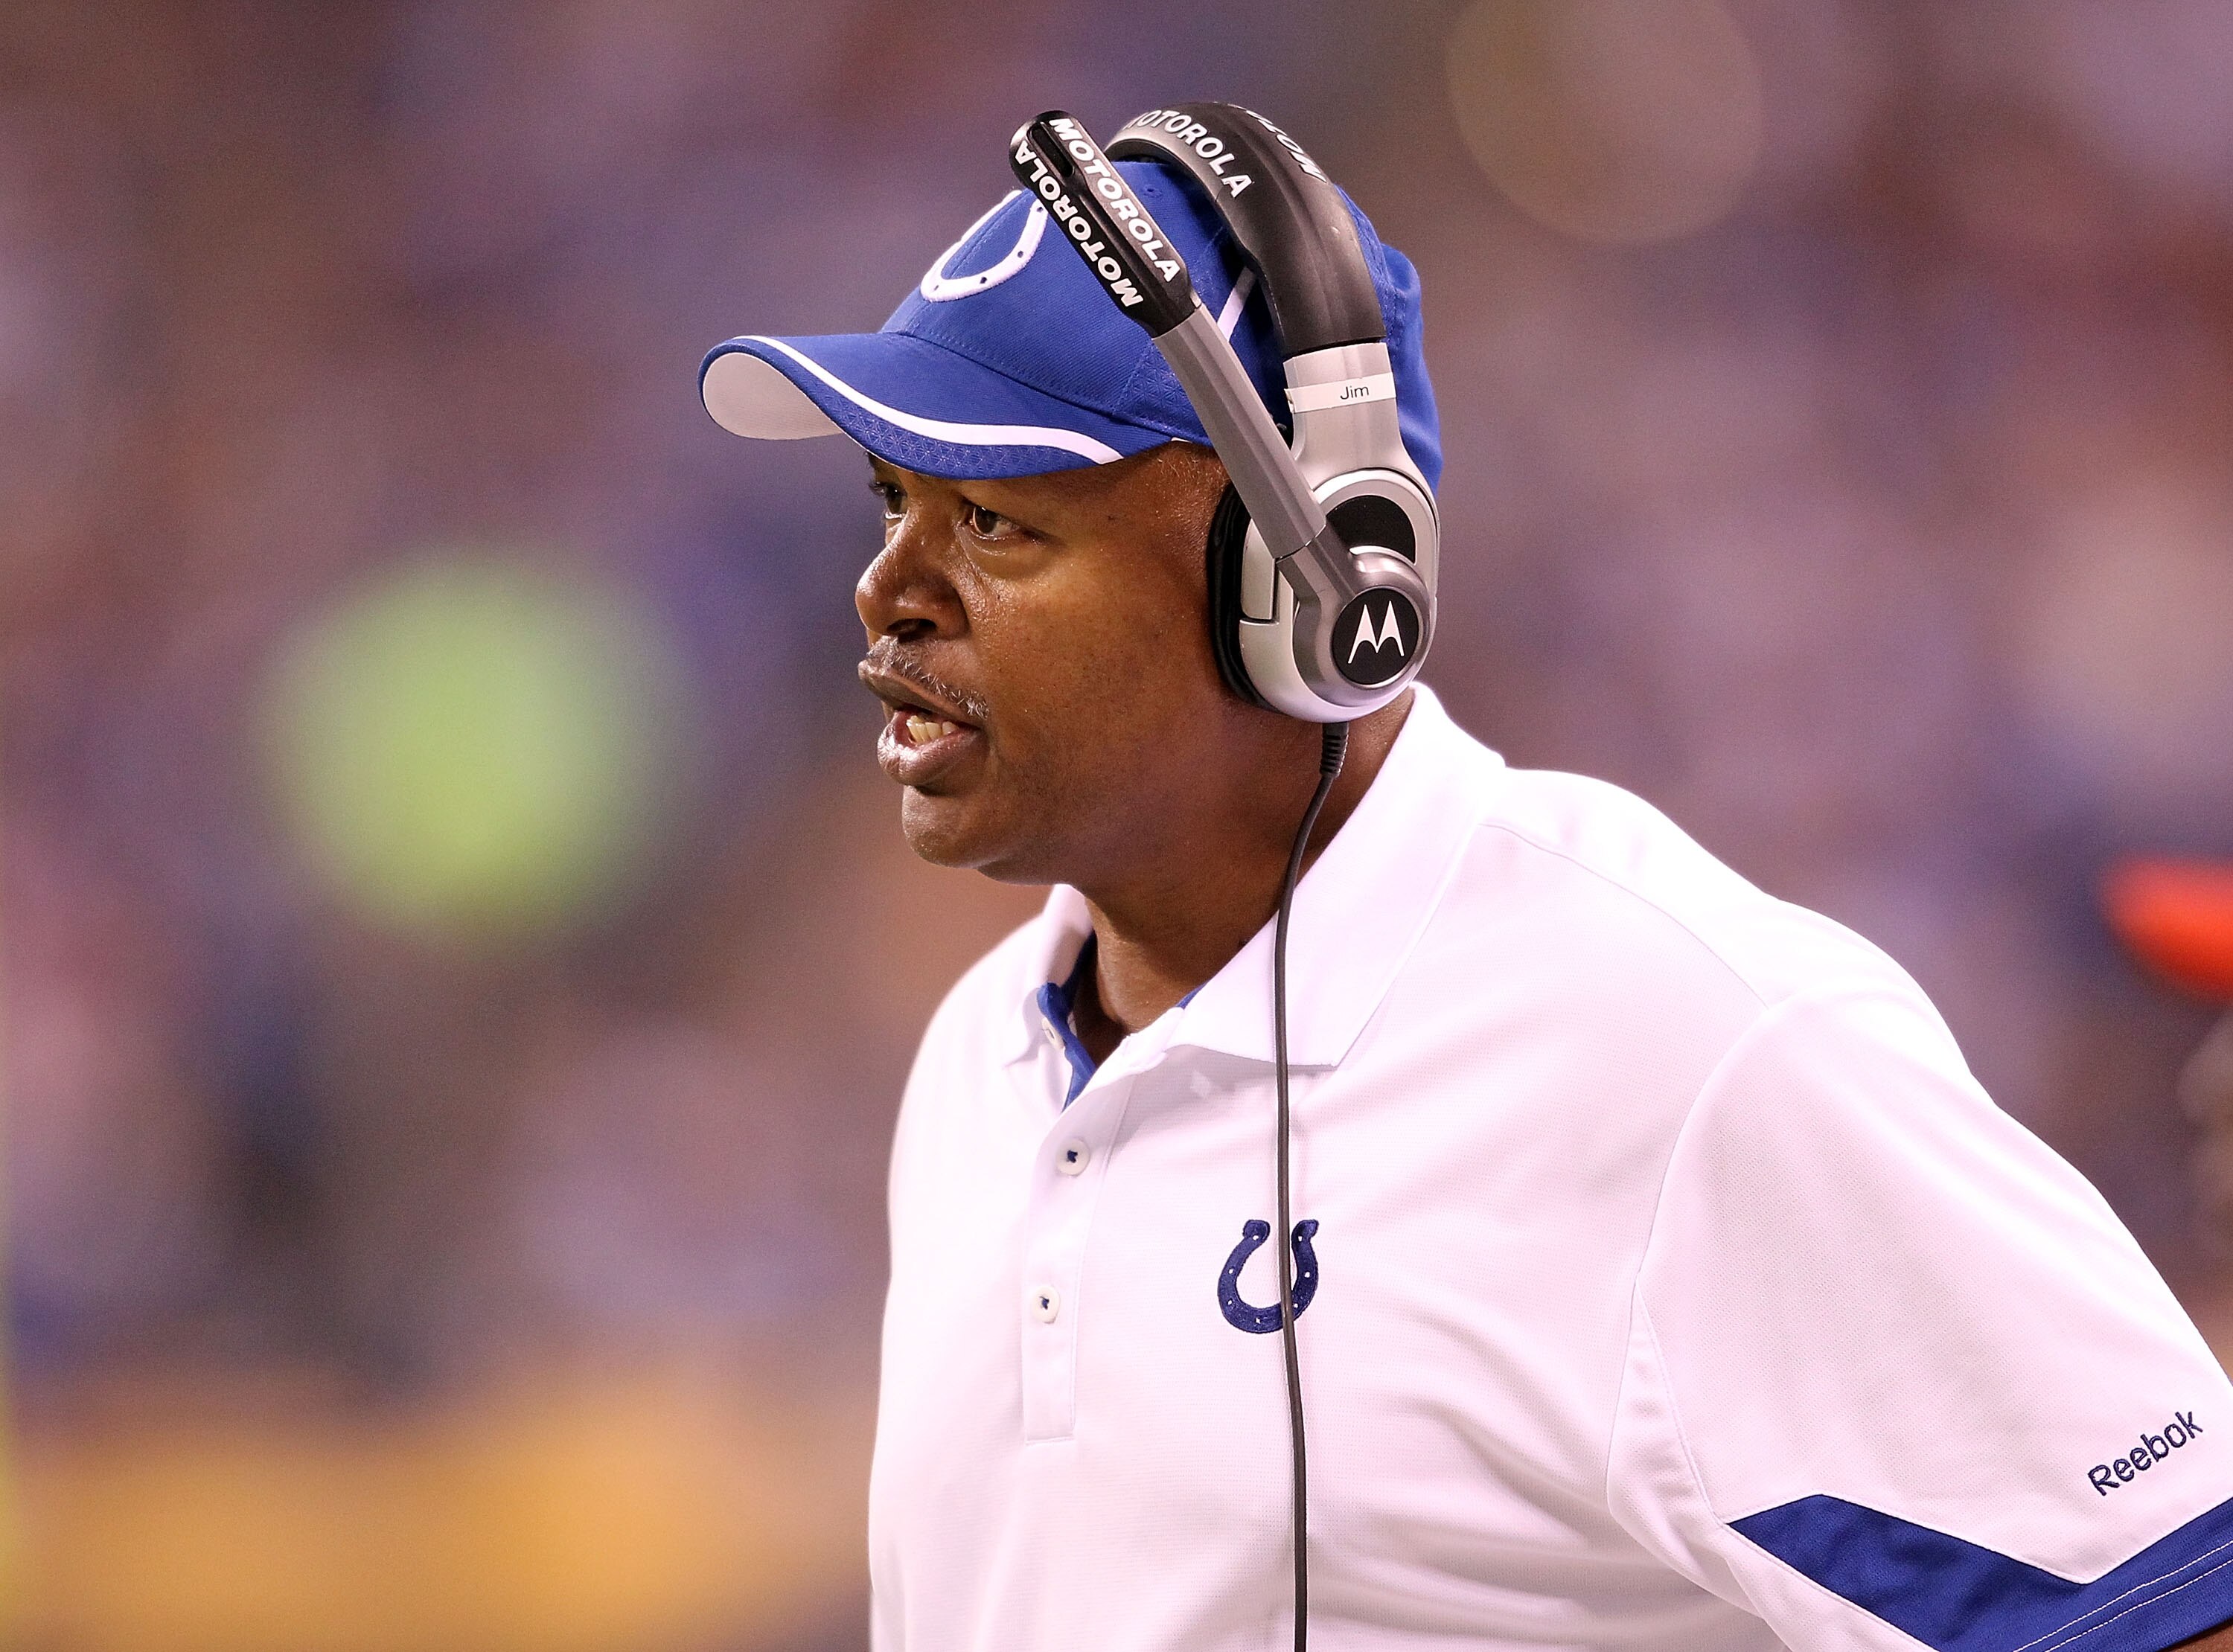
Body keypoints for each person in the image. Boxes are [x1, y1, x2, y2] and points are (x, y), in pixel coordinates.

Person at [698, 117, 2233, 1652]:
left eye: (993, 522)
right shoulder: (985, 1055)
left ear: (1312, 583)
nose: (889, 592)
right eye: (889, 504)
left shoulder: (1693, 1043)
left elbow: (2163, 1604)